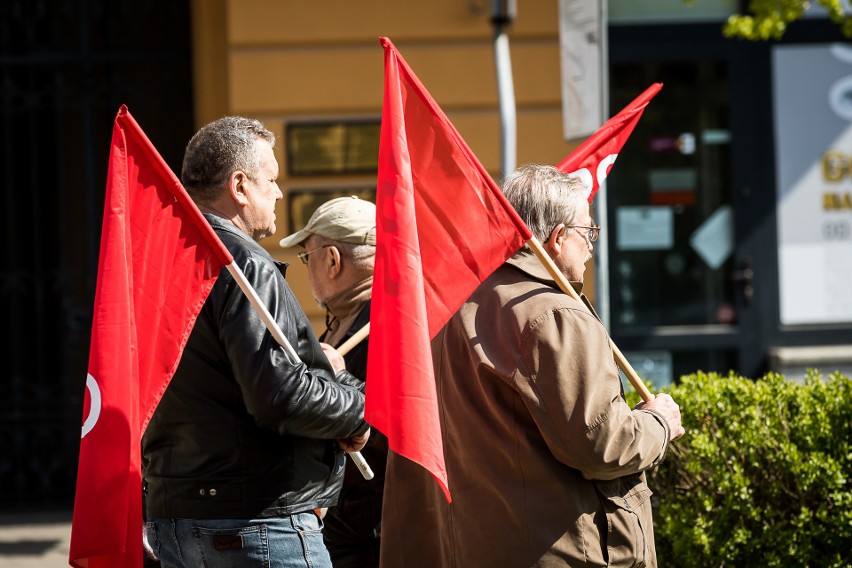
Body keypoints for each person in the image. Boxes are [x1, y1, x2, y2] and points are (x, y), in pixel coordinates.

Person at [380, 164, 685, 568]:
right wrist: (659, 422)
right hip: (559, 549)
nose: (592, 246)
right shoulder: (553, 314)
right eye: (588, 232)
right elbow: (601, 444)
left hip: (480, 544)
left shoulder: (456, 303)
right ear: (558, 238)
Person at [142, 117, 370, 568]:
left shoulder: (161, 257)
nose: (280, 193)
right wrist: (359, 407)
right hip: (255, 522)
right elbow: (280, 396)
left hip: (176, 513)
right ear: (240, 185)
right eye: (272, 180)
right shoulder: (243, 264)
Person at [279, 196, 386, 568]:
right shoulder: (352, 317)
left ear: (332, 260)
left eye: (307, 258)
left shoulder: (387, 327)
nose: (307, 269)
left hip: (366, 533)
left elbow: (387, 424)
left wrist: (338, 377)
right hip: (349, 525)